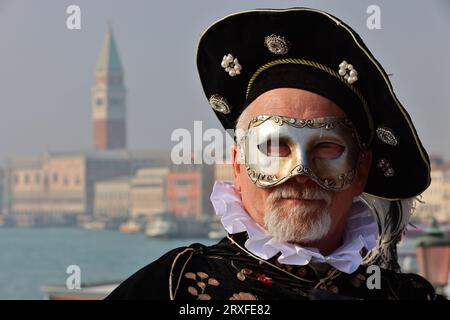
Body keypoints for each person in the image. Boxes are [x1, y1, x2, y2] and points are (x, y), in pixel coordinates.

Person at [106, 7, 439, 300]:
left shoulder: (404, 296)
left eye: (326, 147)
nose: (300, 172)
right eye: (274, 147)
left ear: (361, 170)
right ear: (237, 165)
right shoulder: (173, 287)